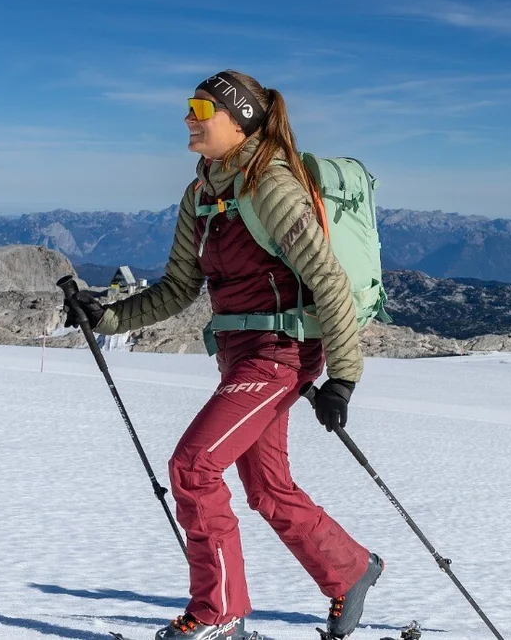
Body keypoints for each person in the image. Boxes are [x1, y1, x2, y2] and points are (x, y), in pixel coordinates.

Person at [60, 70, 381, 640]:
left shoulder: (272, 188)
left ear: (241, 120)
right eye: (190, 105)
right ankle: (349, 568)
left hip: (279, 354)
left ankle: (219, 614)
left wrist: (343, 379)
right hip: (238, 354)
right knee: (267, 487)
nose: (189, 117)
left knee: (193, 466)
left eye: (201, 108)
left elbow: (329, 281)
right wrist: (105, 317)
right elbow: (178, 288)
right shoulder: (201, 192)